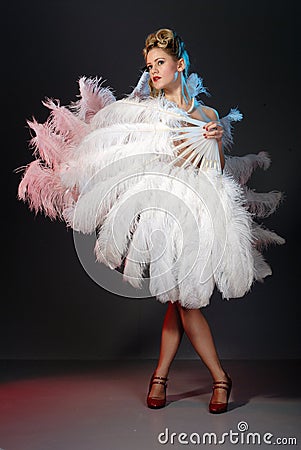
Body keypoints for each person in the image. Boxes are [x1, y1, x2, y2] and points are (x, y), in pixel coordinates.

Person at [18, 28, 285, 414]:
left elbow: (219, 171)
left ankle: (181, 378)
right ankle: (211, 379)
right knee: (179, 299)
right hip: (165, 211)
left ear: (180, 64)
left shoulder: (208, 115)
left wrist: (212, 141)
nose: (154, 70)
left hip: (200, 209)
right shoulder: (149, 111)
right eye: (149, 65)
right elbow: (134, 155)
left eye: (160, 62)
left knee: (181, 300)